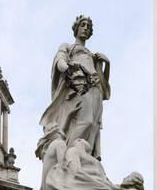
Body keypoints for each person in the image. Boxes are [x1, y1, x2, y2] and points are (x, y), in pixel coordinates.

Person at [40, 15, 110, 160]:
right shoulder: (68, 46)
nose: (86, 28)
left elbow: (104, 86)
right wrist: (68, 69)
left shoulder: (93, 55)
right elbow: (60, 60)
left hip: (95, 89)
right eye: (83, 25)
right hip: (79, 85)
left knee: (94, 126)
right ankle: (67, 157)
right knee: (86, 121)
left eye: (88, 27)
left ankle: (84, 158)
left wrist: (107, 64)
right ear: (76, 28)